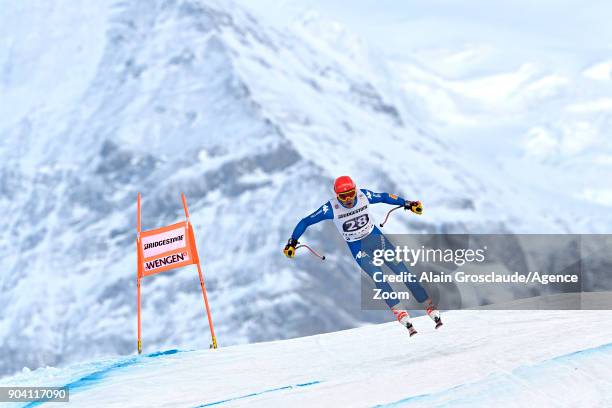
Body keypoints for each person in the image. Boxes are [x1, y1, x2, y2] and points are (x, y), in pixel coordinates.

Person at [283, 175, 442, 336]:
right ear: (336, 196)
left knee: (402, 271)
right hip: (357, 246)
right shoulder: (331, 208)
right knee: (378, 276)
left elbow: (384, 197)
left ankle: (428, 305)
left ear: (355, 190)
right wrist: (292, 242)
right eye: (343, 197)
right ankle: (400, 313)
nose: (348, 200)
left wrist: (408, 204)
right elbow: (305, 221)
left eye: (351, 194)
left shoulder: (363, 195)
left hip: (376, 239)